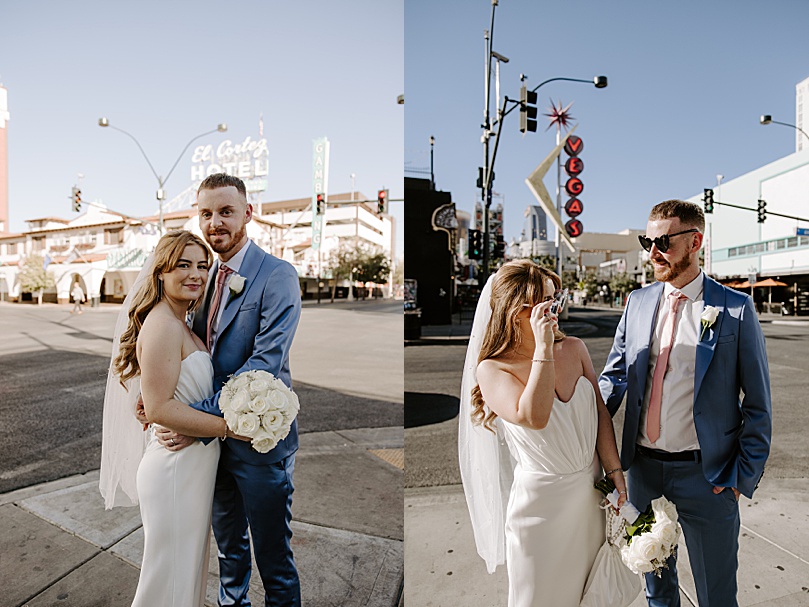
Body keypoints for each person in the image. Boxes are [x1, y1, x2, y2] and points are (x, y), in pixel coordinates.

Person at [599, 200, 772, 606]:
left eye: (663, 242)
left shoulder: (735, 309)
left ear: (695, 241)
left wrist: (739, 477)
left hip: (708, 478)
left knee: (716, 594)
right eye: (647, 241)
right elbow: (615, 378)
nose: (653, 252)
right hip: (642, 473)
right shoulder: (637, 303)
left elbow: (759, 405)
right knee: (656, 589)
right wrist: (580, 431)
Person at [156, 173, 303, 606]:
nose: (215, 222)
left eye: (225, 211)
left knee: (274, 559)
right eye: (206, 213)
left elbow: (264, 366)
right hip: (212, 450)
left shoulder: (277, 275)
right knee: (229, 553)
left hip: (258, 442)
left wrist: (193, 422)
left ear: (247, 214)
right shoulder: (200, 278)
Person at [459, 259, 627, 607]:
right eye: (545, 304)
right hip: (539, 510)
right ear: (515, 311)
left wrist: (615, 472)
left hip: (589, 496)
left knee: (591, 594)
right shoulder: (492, 369)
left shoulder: (576, 349)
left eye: (556, 300)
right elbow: (533, 416)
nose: (555, 311)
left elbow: (599, 415)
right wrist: (542, 349)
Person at [100, 230, 249, 606]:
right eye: (183, 265)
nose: (195, 273)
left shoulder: (182, 320)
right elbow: (160, 409)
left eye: (202, 265)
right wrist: (228, 428)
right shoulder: (164, 323)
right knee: (166, 579)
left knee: (183, 575)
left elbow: (166, 395)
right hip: (173, 468)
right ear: (161, 272)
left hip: (191, 468)